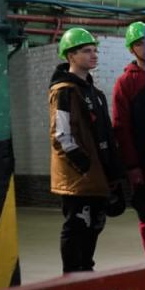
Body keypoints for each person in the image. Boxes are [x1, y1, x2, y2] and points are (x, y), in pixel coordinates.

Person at [49, 28, 123, 273]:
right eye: (86, 51)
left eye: (94, 50)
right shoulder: (64, 91)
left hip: (98, 175)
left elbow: (105, 134)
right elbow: (61, 135)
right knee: (77, 226)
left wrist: (112, 171)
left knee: (94, 225)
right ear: (70, 56)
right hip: (79, 178)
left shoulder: (95, 93)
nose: (94, 55)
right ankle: (71, 276)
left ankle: (86, 272)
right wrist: (85, 166)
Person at [112, 21, 145, 260]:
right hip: (144, 159)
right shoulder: (125, 83)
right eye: (139, 44)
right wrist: (132, 165)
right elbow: (121, 127)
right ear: (131, 49)